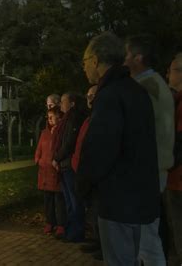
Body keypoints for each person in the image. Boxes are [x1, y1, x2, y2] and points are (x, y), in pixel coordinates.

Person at [76, 32, 160, 266]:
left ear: (94, 61)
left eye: (84, 63)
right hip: (140, 198)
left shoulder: (109, 96)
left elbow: (100, 149)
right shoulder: (137, 91)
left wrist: (82, 185)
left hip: (117, 201)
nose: (84, 69)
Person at [124, 34, 174, 266]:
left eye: (126, 55)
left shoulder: (147, 86)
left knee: (146, 237)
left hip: (147, 170)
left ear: (138, 57)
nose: (122, 60)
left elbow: (140, 131)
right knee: (145, 235)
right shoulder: (150, 84)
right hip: (152, 168)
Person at [72, 85, 103, 260]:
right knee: (92, 209)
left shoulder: (100, 117)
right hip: (83, 170)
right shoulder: (88, 118)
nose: (90, 98)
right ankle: (96, 239)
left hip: (93, 173)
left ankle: (102, 244)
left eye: (93, 95)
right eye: (88, 95)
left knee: (98, 209)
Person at [52, 92, 86, 242]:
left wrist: (57, 157)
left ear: (72, 103)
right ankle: (71, 231)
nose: (61, 104)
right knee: (69, 201)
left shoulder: (73, 119)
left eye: (64, 101)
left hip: (68, 165)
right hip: (64, 164)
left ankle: (76, 233)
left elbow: (69, 143)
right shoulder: (66, 120)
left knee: (74, 201)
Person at [35, 107, 66, 238]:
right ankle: (50, 222)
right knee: (48, 200)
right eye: (48, 117)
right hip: (45, 172)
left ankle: (61, 224)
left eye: (52, 116)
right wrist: (37, 159)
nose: (50, 119)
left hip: (56, 171)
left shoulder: (61, 132)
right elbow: (39, 148)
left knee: (59, 200)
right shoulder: (44, 133)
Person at [166, 53, 182, 266]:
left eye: (171, 70)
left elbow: (178, 143)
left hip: (178, 180)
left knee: (178, 230)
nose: (167, 75)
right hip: (174, 179)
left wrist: (165, 164)